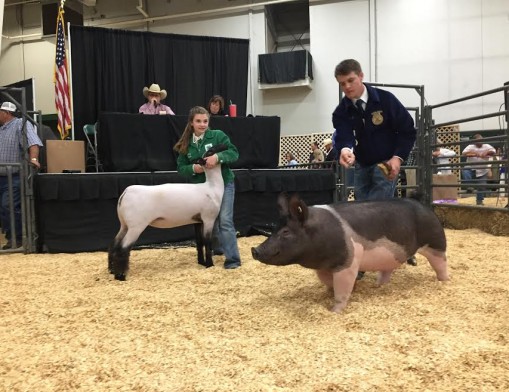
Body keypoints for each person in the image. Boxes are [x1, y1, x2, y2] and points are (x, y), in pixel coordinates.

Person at [331, 59, 417, 275]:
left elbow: (407, 130)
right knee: (361, 210)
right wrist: (344, 150)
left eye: (350, 80)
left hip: (385, 164)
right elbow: (343, 135)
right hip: (361, 164)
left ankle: (363, 262)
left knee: (374, 211)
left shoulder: (386, 101)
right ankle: (396, 249)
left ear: (361, 76)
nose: (347, 87)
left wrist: (397, 158)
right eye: (342, 83)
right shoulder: (341, 111)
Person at [173, 106, 241, 269]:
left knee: (225, 220)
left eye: (205, 121)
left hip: (224, 184)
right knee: (210, 222)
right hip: (201, 189)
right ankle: (217, 249)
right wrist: (193, 169)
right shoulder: (186, 144)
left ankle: (233, 260)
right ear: (191, 123)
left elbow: (234, 153)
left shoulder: (217, 136)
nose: (202, 124)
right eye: (198, 121)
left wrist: (218, 157)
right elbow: (181, 168)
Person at [0, 101, 43, 249]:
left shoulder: (20, 124)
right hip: (2, 176)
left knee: (8, 205)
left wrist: (34, 159)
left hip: (14, 175)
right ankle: (11, 237)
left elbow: (33, 143)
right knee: (3, 207)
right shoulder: (2, 130)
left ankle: (18, 237)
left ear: (6, 113)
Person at [461, 134, 496, 206]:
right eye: (478, 141)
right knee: (465, 171)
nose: (481, 142)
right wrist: (475, 154)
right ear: (474, 142)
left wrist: (486, 152)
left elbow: (493, 151)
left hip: (483, 170)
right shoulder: (470, 146)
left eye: (481, 140)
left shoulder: (487, 146)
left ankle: (479, 201)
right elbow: (464, 153)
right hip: (471, 167)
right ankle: (469, 187)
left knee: (481, 186)